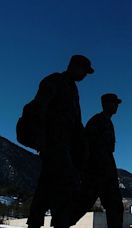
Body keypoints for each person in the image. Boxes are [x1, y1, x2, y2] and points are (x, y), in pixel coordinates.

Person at [27, 55, 94, 228]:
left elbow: (76, 123)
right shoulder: (54, 81)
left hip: (66, 148)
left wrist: (82, 148)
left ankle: (38, 222)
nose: (84, 76)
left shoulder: (73, 90)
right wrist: (41, 140)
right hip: (54, 145)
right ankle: (53, 222)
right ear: (73, 66)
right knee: (64, 188)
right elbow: (38, 108)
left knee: (48, 186)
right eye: (83, 71)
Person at [70, 93, 124, 228]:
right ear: (105, 104)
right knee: (82, 205)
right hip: (95, 171)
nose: (116, 106)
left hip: (107, 172)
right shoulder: (96, 121)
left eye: (117, 103)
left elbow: (108, 150)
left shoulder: (108, 123)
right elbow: (86, 147)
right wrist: (86, 171)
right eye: (114, 103)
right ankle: (62, 223)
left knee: (115, 206)